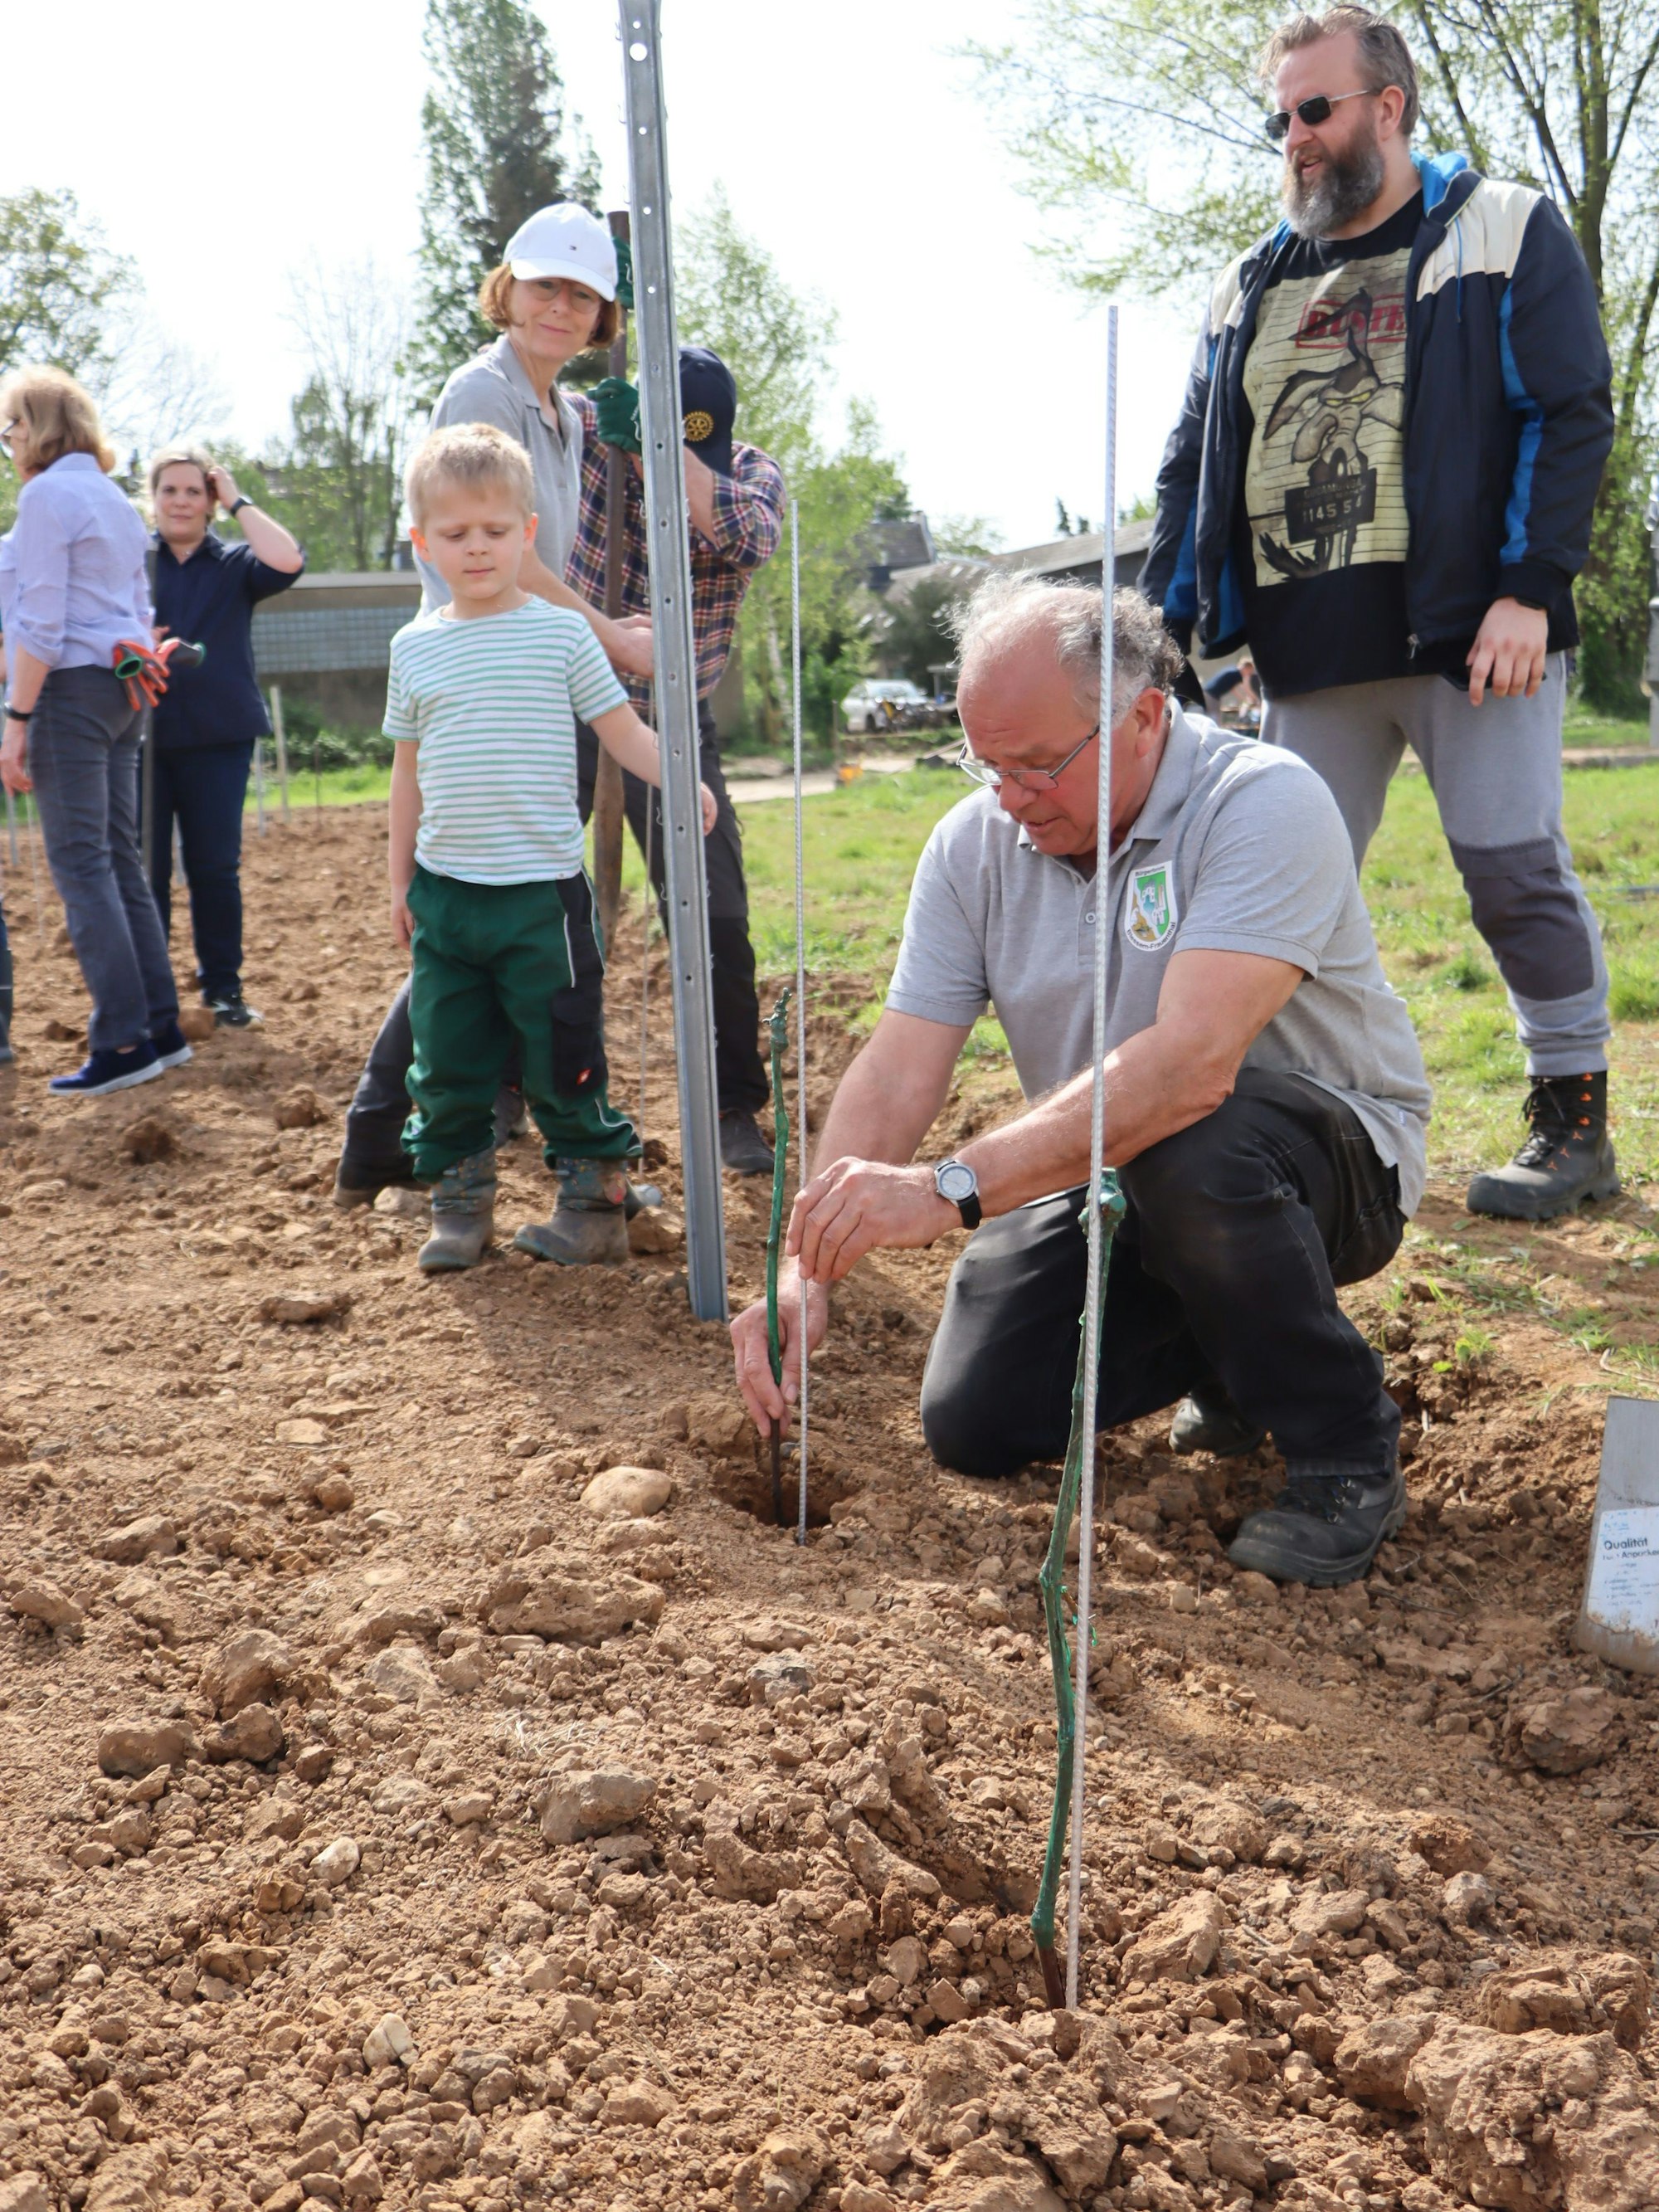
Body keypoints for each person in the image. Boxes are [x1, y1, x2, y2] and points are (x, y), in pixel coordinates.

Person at [732, 579, 1433, 1589]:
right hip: (1117, 1170)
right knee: (977, 1416)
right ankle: (1232, 1349)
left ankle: (1343, 1448)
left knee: (1196, 1149)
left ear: (1144, 715)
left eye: (1036, 765)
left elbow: (1189, 1069)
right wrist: (809, 1263)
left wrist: (944, 1190)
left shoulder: (1262, 801)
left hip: (1323, 1166)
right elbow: (895, 1067)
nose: (1008, 797)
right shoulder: (974, 843)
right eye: (983, 762)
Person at [1142, 3, 1617, 1224]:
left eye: (1315, 111)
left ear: (1387, 107)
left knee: (1514, 872)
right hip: (1304, 654)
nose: (1294, 139)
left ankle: (1572, 1121)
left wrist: (1531, 587)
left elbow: (1571, 412)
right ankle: (1300, 1128)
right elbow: (1193, 460)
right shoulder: (1249, 280)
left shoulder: (1501, 229)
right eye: (1279, 120)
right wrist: (1166, 630)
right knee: (1274, 904)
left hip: (1472, 641)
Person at [334, 201, 651, 1206]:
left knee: (496, 913)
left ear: (603, 313)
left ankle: (452, 1127)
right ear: (506, 288)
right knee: (469, 913)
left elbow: (541, 553)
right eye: (542, 286)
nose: (559, 307)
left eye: (582, 294)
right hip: (477, 674)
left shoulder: (557, 407)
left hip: (520, 666)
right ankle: (386, 1136)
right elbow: (504, 550)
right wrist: (605, 631)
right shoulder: (485, 390)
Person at [388, 423, 715, 1273]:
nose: (477, 548)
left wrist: (680, 782)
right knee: (447, 1055)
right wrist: (400, 885)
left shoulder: (559, 635)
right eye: (455, 534)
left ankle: (591, 1204)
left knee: (563, 1049)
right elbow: (404, 779)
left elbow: (623, 731)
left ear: (526, 534)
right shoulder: (413, 648)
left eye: (495, 531)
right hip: (447, 895)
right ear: (423, 543)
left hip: (542, 897)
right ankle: (459, 1208)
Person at [567, 344, 786, 1174]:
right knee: (529, 895)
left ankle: (731, 1105)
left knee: (715, 906)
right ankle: (511, 1087)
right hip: (568, 695)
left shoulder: (750, 475)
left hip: (672, 718)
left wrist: (661, 453)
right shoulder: (587, 432)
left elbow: (746, 537)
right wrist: (612, 433)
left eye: (702, 443)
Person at [0, 368, 189, 1097]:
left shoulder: (46, 494)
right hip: (120, 688)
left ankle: (120, 1040)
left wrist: (16, 720)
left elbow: (42, 621)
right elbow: (137, 605)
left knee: (81, 867)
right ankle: (160, 1028)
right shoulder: (109, 497)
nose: (10, 438)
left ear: (40, 424)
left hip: (70, 691)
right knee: (117, 860)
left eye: (13, 423)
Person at [145, 446, 304, 1026]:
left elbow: (288, 562)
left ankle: (223, 990)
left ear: (211, 503)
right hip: (141, 741)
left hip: (220, 738)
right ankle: (150, 995)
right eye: (169, 490)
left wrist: (239, 498)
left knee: (214, 868)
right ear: (153, 499)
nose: (181, 501)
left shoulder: (237, 564)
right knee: (146, 871)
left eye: (195, 491)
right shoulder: (130, 563)